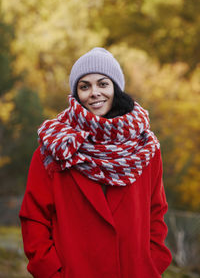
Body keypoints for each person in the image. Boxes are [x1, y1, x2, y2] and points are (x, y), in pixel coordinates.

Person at [19, 47, 172, 278]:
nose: (94, 93)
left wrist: (152, 263)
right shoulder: (54, 147)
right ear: (76, 94)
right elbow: (34, 218)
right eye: (84, 86)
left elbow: (156, 211)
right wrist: (51, 272)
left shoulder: (145, 147)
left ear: (116, 89)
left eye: (103, 84)